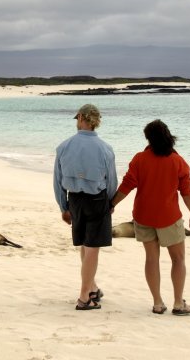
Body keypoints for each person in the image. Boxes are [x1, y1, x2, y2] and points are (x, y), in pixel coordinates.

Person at [111, 119, 190, 316]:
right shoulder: (178, 161)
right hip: (169, 217)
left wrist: (112, 204)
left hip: (143, 216)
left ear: (148, 138)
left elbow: (127, 185)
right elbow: (186, 191)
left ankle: (158, 303)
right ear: (168, 136)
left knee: (151, 259)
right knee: (178, 259)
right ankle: (178, 303)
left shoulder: (140, 159)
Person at [53, 104, 118, 310]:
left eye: (77, 119)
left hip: (74, 200)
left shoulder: (64, 146)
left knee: (84, 245)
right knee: (91, 249)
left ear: (81, 118)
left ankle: (92, 287)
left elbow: (57, 180)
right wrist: (110, 203)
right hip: (96, 200)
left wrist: (63, 206)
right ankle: (84, 296)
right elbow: (112, 182)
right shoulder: (105, 149)